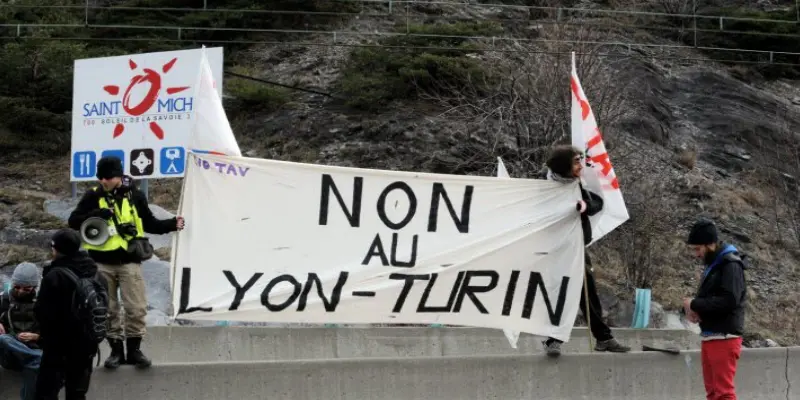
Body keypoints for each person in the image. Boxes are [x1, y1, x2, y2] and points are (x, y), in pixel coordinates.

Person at [67, 155, 185, 369]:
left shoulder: (135, 195)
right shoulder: (93, 196)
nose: (103, 181)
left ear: (119, 176)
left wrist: (171, 224)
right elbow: (73, 221)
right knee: (109, 309)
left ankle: (134, 351)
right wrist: (97, 214)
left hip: (130, 260)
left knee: (136, 308)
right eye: (100, 177)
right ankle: (115, 352)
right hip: (101, 262)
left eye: (108, 177)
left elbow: (149, 222)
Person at [539, 144, 631, 356]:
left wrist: (584, 206)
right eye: (576, 161)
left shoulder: (577, 184)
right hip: (554, 248)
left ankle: (603, 338)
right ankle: (553, 340)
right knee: (559, 292)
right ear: (564, 165)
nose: (582, 165)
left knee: (588, 293)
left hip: (577, 246)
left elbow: (597, 202)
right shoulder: (543, 184)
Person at [34, 229, 107, 400]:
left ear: (57, 249)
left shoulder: (55, 275)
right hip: (87, 346)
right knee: (76, 393)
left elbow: (42, 312)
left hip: (58, 346)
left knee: (46, 392)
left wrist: (44, 338)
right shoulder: (97, 274)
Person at [684, 219, 748, 400]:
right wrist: (695, 310)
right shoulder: (716, 265)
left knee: (723, 394)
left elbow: (729, 300)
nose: (696, 254)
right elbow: (714, 300)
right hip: (711, 335)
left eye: (698, 249)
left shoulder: (731, 265)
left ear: (711, 244)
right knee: (713, 394)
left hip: (724, 337)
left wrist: (695, 304)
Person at [0, 262, 43, 400]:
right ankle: (35, 358)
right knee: (3, 339)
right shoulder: (4, 298)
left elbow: (58, 331)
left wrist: (37, 336)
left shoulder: (45, 301)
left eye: (26, 288)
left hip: (36, 346)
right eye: (17, 287)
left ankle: (35, 358)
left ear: (35, 287)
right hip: (11, 352)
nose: (20, 291)